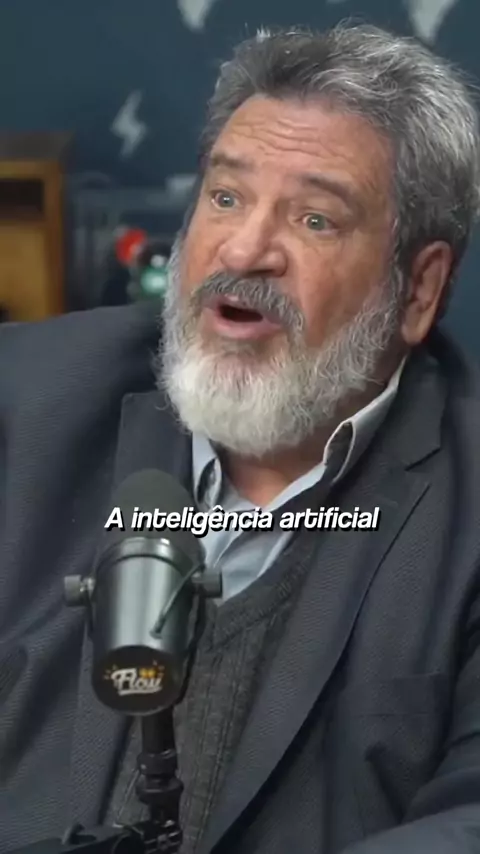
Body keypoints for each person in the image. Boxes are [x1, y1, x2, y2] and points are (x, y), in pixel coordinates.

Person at [2, 21, 480, 854]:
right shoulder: (24, 403)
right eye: (225, 198)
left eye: (316, 219)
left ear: (419, 288)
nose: (246, 249)